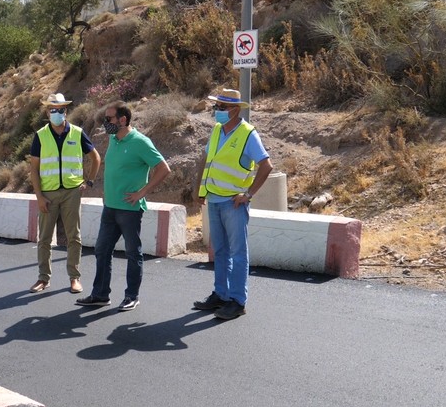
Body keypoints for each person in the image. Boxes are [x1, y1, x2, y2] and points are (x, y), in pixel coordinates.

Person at [76, 101, 171, 311]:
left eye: (108, 119)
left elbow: (164, 169)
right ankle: (100, 294)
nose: (105, 123)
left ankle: (131, 296)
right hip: (110, 207)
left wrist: (142, 193)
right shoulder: (113, 139)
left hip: (129, 209)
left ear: (123, 120)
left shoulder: (140, 142)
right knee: (102, 250)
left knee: (132, 253)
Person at [193, 88, 273, 320]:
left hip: (233, 203)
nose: (217, 111)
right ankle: (221, 294)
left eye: (221, 107)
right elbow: (207, 160)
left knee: (238, 253)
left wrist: (248, 194)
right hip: (215, 199)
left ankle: (238, 301)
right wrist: (200, 190)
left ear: (235, 110)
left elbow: (266, 165)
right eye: (216, 106)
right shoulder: (217, 130)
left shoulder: (248, 134)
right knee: (220, 251)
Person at [28, 92, 102, 295]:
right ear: (47, 111)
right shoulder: (40, 136)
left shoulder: (77, 133)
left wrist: (89, 181)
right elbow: (33, 169)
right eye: (53, 110)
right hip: (48, 194)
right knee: (44, 238)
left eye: (60, 110)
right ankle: (43, 278)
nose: (57, 113)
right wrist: (39, 196)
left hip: (72, 192)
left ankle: (74, 278)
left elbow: (95, 158)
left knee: (73, 237)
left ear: (66, 111)